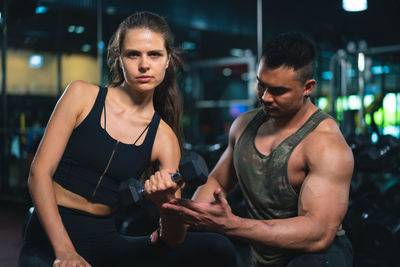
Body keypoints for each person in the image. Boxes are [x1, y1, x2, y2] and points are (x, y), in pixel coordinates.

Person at [19, 12, 237, 267]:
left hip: (104, 241)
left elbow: (174, 239)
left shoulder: (164, 138)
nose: (144, 65)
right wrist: (65, 251)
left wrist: (164, 202)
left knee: (217, 247)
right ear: (118, 58)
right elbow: (39, 173)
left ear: (168, 60)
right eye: (133, 54)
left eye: (154, 54)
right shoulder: (81, 95)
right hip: (49, 238)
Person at [162, 32, 354, 266]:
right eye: (261, 85)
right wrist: (182, 221)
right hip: (262, 252)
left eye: (278, 90)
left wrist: (233, 225)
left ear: (308, 87)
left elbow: (318, 234)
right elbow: (217, 182)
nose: (265, 97)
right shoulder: (244, 126)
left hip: (315, 256)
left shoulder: (324, 144)